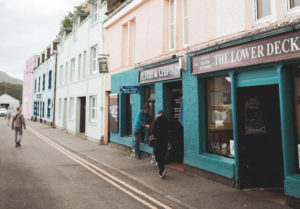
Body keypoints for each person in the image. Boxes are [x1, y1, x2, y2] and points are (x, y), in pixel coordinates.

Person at [152, 110, 169, 178]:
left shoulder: (156, 121)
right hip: (164, 141)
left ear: (158, 114)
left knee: (157, 154)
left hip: (158, 141)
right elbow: (168, 132)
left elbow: (153, 131)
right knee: (162, 154)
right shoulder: (166, 121)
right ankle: (162, 169)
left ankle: (162, 169)